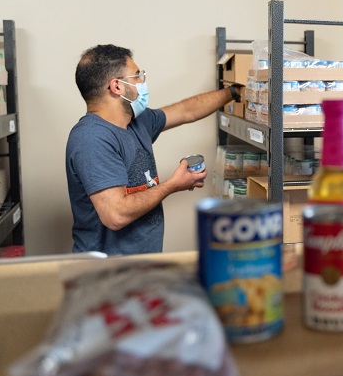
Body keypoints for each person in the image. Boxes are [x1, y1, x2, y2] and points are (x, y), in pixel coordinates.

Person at [65, 44, 242, 255]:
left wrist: (234, 91)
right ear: (117, 86)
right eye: (137, 76)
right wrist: (173, 185)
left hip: (141, 266)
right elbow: (116, 215)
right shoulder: (91, 139)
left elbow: (186, 110)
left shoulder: (137, 121)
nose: (142, 82)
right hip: (107, 275)